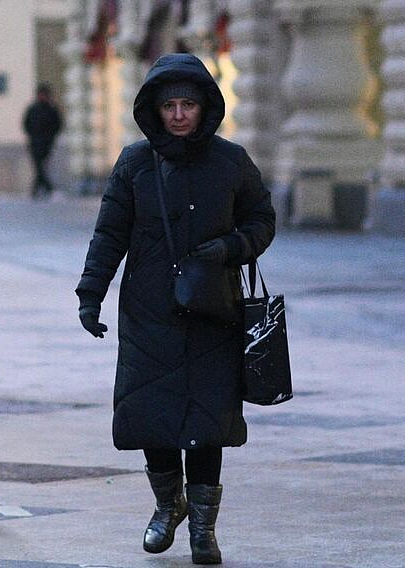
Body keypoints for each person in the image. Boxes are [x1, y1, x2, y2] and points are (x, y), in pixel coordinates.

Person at [75, 53, 275, 566]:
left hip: (215, 311)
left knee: (208, 422)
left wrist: (230, 248)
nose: (180, 114)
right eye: (171, 106)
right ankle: (168, 506)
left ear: (205, 107)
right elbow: (109, 234)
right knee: (151, 414)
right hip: (149, 311)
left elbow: (261, 220)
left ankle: (203, 531)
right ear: (155, 111)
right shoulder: (135, 164)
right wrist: (90, 293)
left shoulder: (232, 162)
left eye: (188, 104)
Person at [22, 84, 64, 199]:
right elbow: (26, 124)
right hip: (34, 143)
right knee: (38, 166)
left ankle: (37, 190)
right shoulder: (32, 109)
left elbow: (58, 125)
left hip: (47, 143)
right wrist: (32, 135)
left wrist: (51, 136)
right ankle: (47, 188)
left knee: (41, 166)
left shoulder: (52, 110)